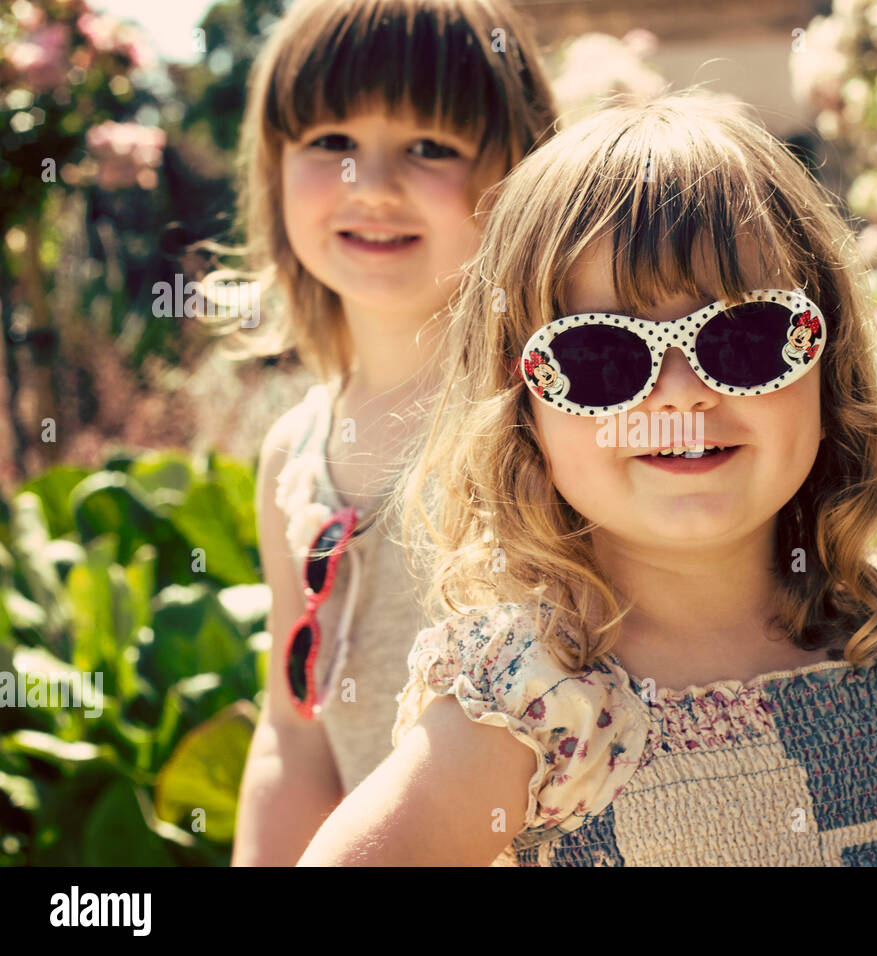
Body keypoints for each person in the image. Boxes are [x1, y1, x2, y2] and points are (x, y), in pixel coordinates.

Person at [298, 90, 877, 866]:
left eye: (745, 339)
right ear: (524, 415)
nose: (682, 393)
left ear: (828, 363)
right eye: (602, 356)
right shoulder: (544, 705)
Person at [215, 0, 556, 866]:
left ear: (519, 168)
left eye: (430, 147)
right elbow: (295, 740)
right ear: (274, 169)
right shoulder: (295, 456)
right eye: (330, 142)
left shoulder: (548, 409)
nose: (370, 184)